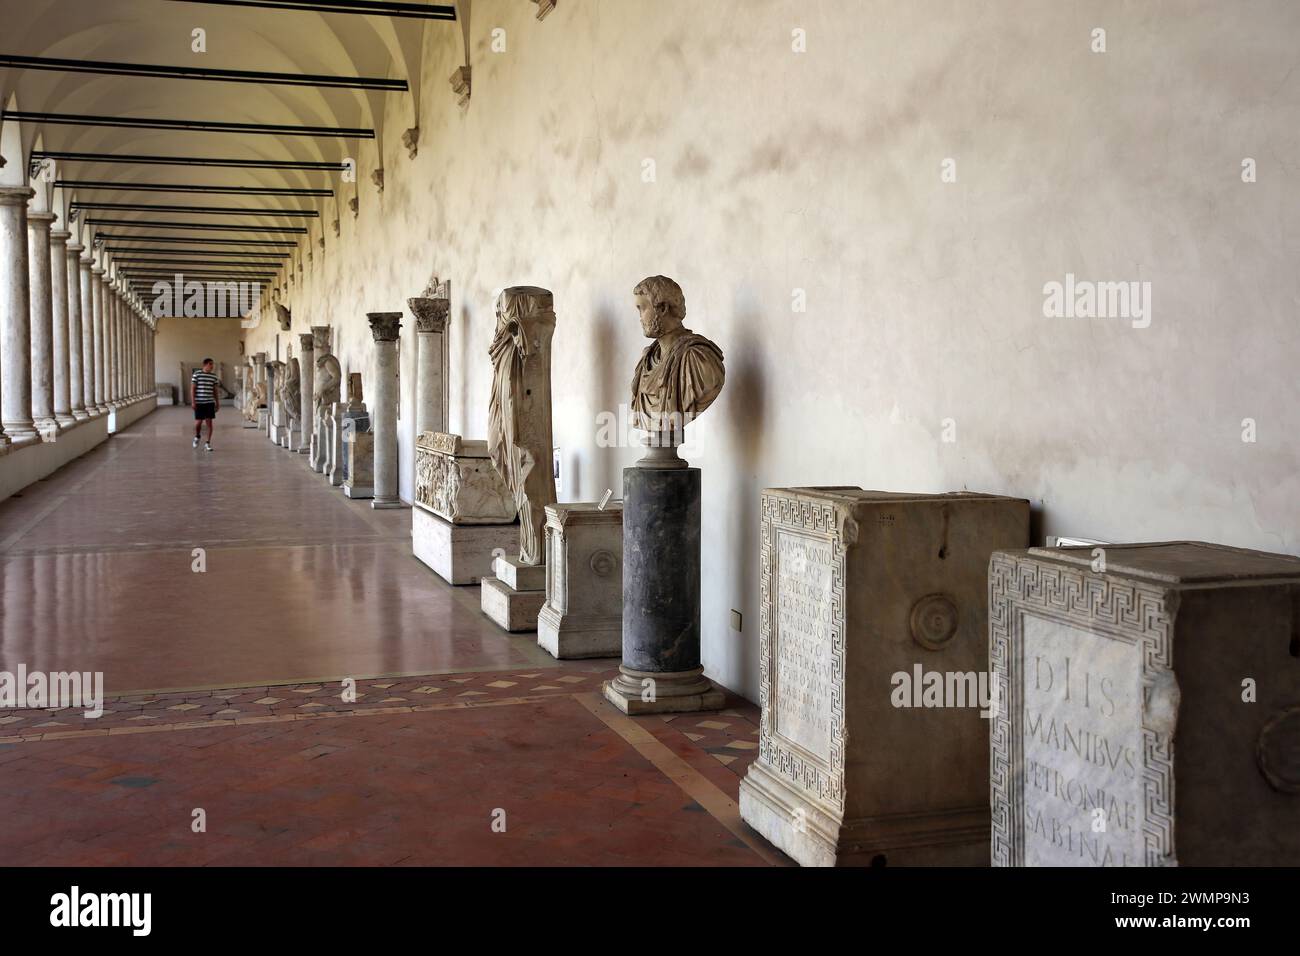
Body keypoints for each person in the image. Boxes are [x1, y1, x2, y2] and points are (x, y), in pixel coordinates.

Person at [191, 359, 223, 451]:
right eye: (210, 364)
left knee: (209, 423)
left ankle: (207, 443)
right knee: (198, 423)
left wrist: (217, 402)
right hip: (199, 402)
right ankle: (197, 436)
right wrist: (193, 401)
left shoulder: (214, 376)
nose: (212, 366)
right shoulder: (197, 374)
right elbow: (192, 389)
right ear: (205, 365)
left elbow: (215, 391)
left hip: (209, 402)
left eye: (212, 364)